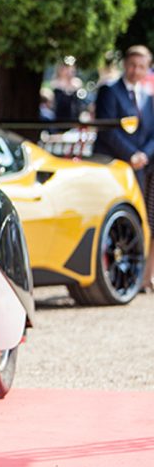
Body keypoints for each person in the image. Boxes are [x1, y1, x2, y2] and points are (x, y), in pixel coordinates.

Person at [93, 45, 154, 289]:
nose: (136, 70)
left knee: (140, 220)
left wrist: (144, 155)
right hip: (114, 165)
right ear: (125, 65)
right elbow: (108, 130)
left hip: (141, 169)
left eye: (141, 66)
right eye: (132, 65)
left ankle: (139, 274)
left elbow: (152, 133)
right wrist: (131, 154)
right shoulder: (110, 92)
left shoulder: (148, 97)